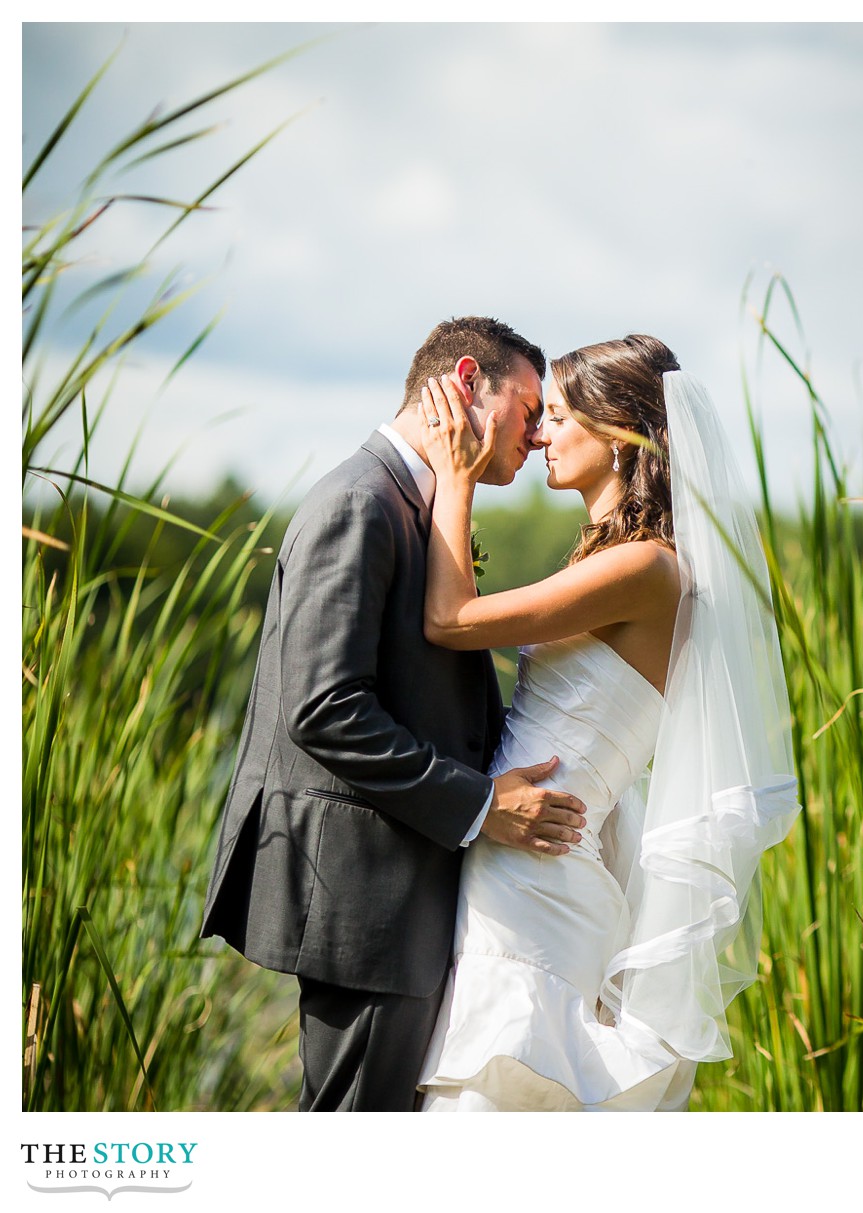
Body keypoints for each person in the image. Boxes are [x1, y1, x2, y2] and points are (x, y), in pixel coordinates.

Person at [200, 317, 590, 1112]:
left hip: (400, 891)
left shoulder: (419, 500)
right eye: (529, 405)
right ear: (468, 380)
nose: (539, 430)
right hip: (364, 898)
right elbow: (326, 707)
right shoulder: (359, 501)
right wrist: (482, 805)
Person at [413, 334, 800, 1111]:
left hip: (538, 878)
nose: (539, 434)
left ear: (619, 429)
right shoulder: (617, 559)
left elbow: (453, 619)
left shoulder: (646, 568)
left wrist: (455, 479)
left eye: (556, 416)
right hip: (536, 859)